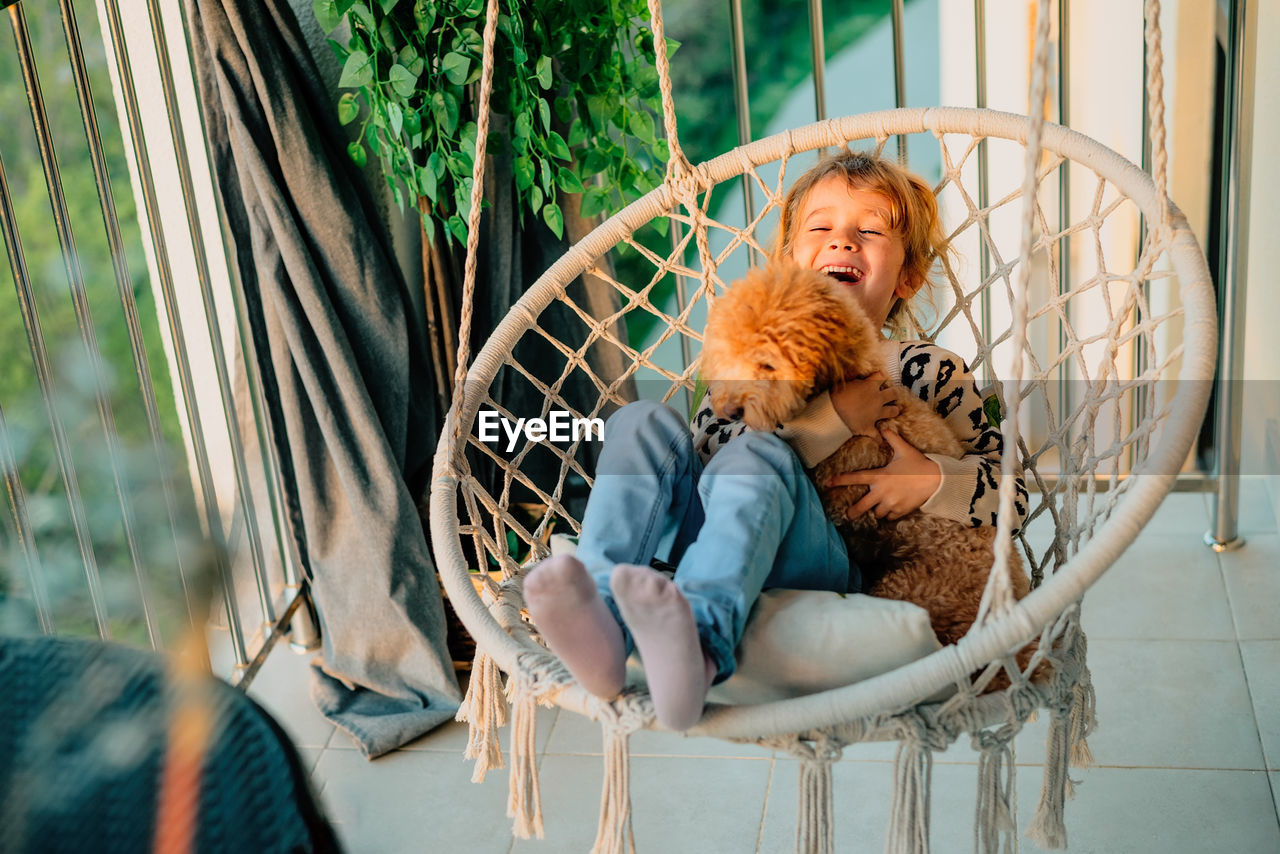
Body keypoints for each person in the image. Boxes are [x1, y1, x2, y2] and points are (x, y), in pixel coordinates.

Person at [523, 150, 1028, 731]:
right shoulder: (749, 354)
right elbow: (714, 458)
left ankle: (703, 646)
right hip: (719, 537)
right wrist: (832, 419)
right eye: (821, 228)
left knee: (759, 453)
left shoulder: (930, 370)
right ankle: (603, 615)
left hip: (821, 561)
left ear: (908, 277)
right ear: (789, 262)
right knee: (638, 421)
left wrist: (934, 481)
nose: (842, 242)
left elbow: (1008, 493)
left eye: (868, 231)